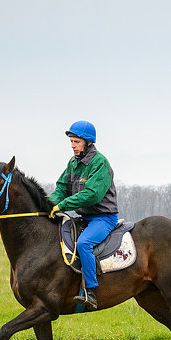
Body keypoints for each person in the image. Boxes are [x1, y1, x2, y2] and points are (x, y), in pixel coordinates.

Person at [47, 120, 118, 310]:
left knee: (84, 243)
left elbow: (92, 195)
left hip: (104, 218)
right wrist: (49, 204)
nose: (72, 146)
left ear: (87, 142)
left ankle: (91, 293)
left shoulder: (100, 163)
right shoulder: (73, 163)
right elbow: (62, 187)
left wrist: (63, 205)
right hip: (85, 218)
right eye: (71, 141)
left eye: (76, 142)